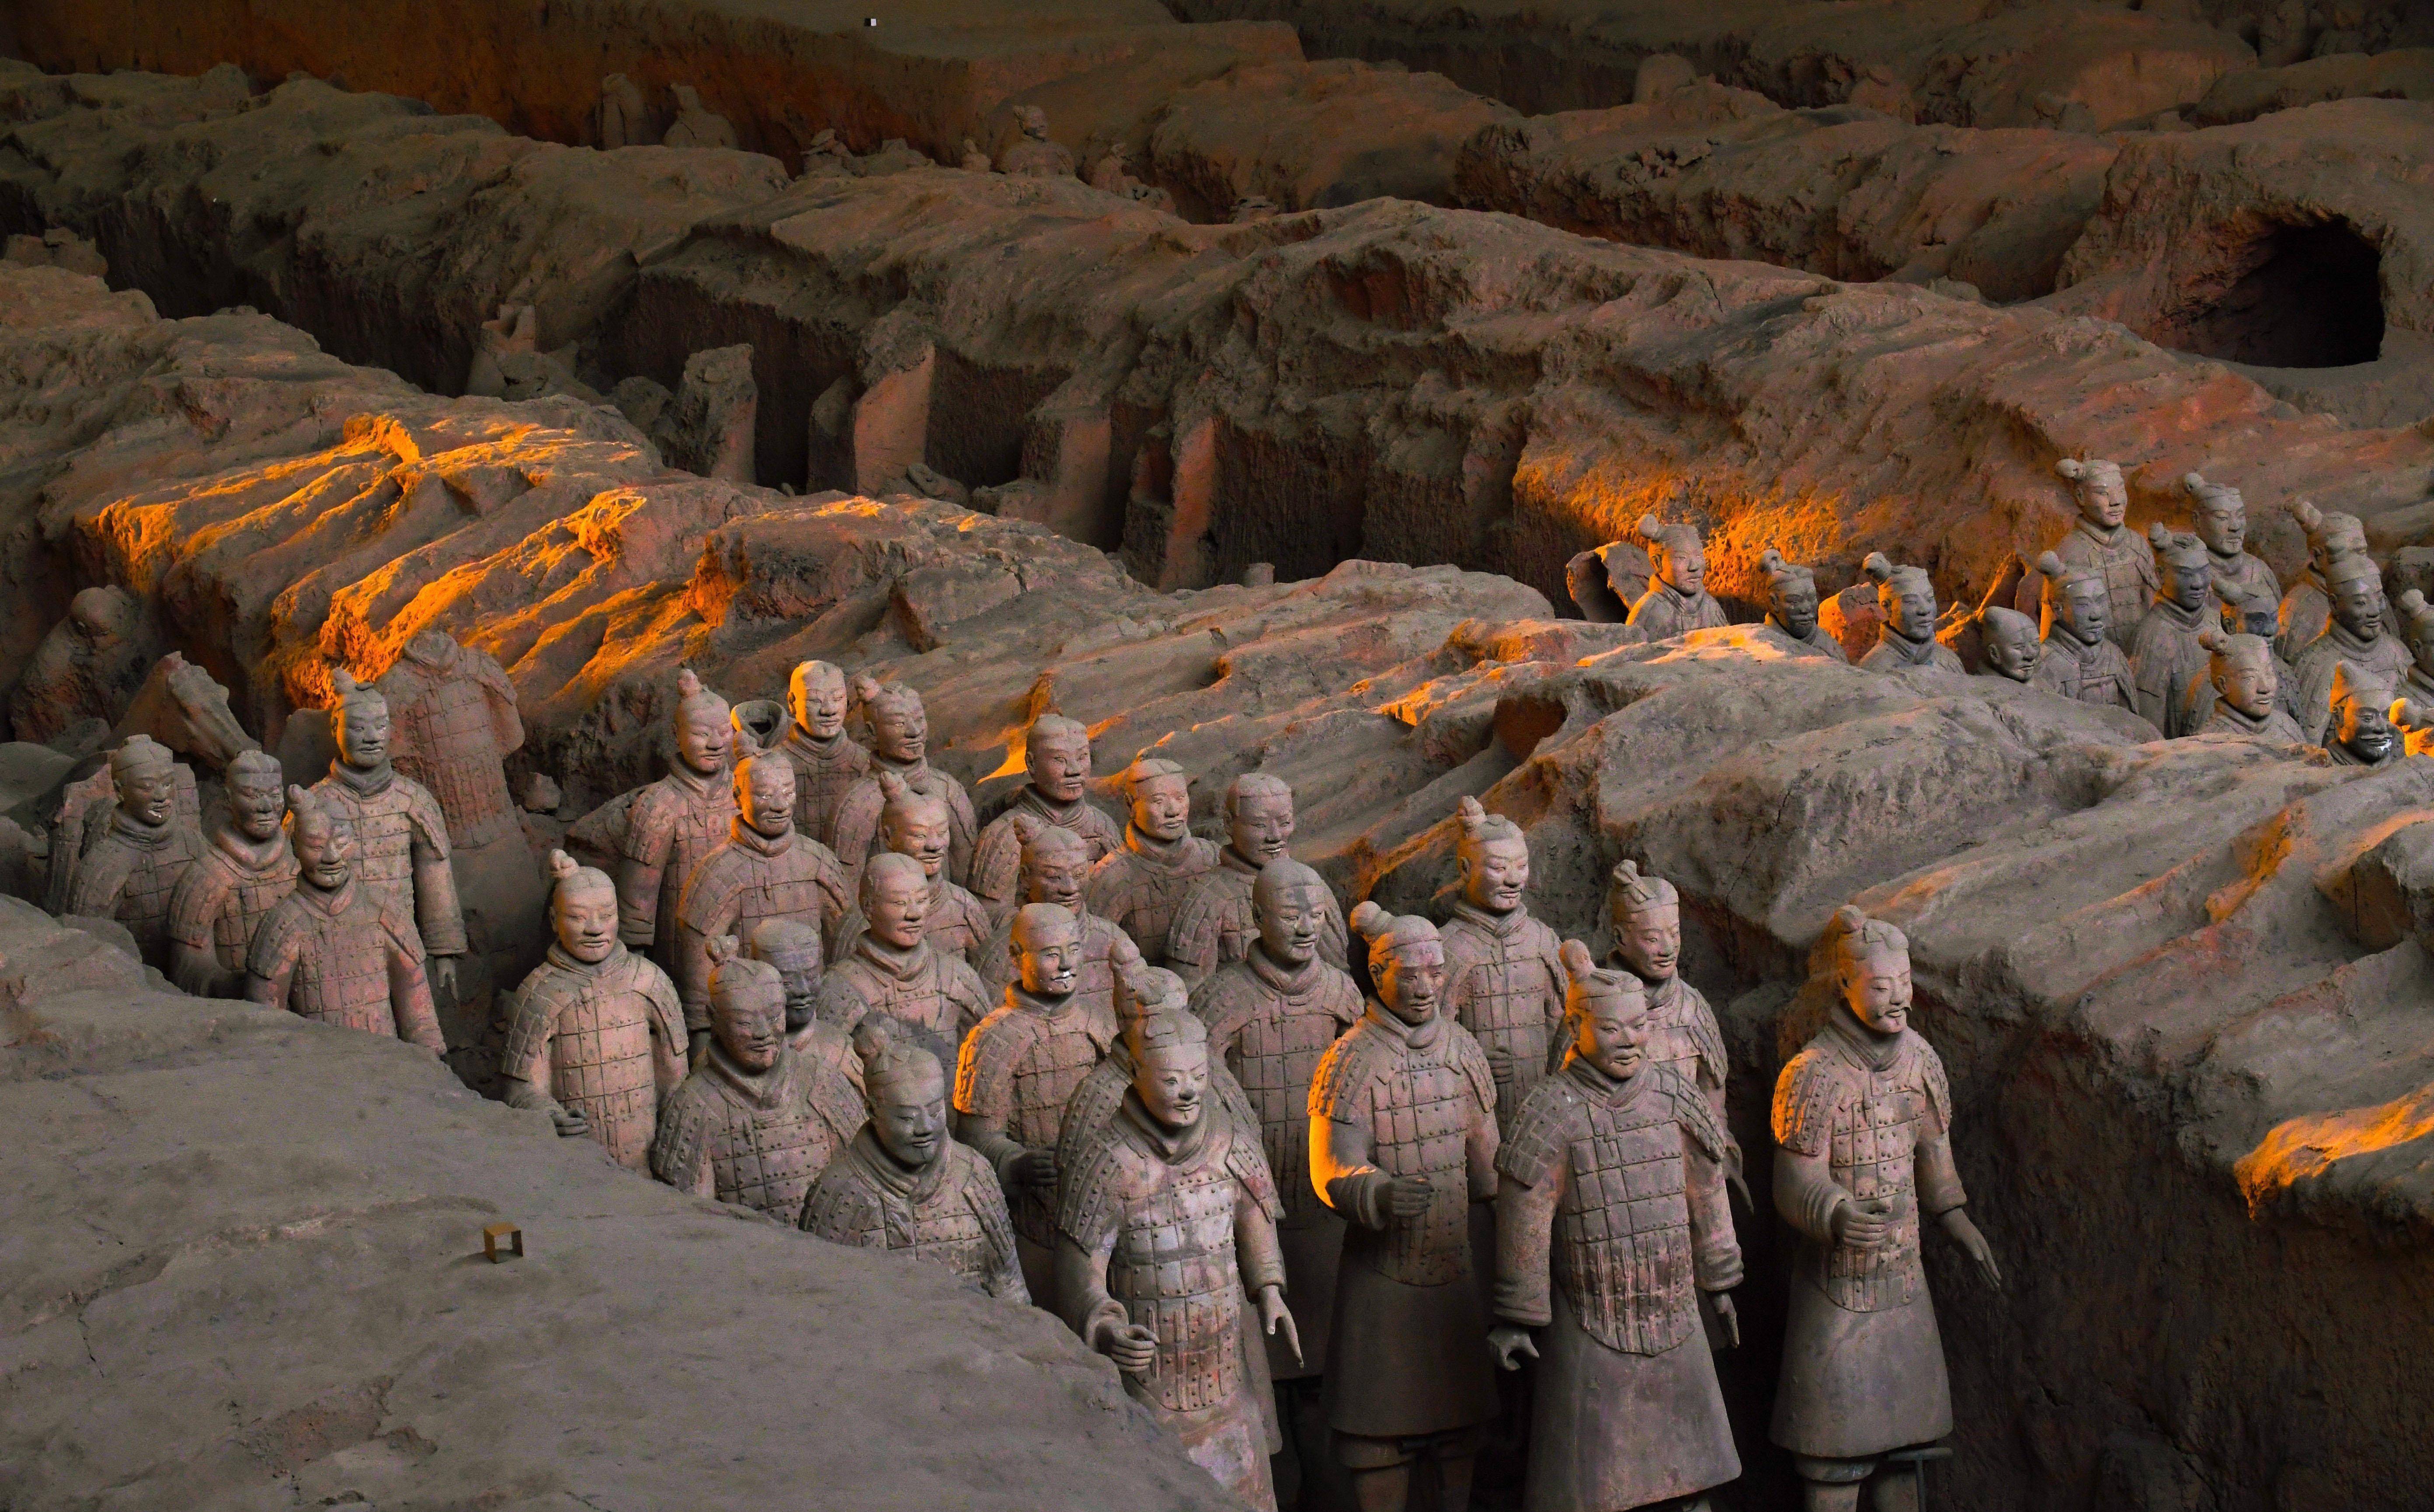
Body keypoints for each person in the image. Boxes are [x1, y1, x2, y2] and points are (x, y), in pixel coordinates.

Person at [1489, 940, 1743, 1512]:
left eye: (1638, 1026)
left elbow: (1707, 1187)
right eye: (1611, 1029)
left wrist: (1720, 1280)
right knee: (1592, 1489)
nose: (1628, 1040)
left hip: (1675, 1307)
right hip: (1589, 1314)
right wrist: (1517, 1316)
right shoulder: (1551, 1108)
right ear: (1575, 1027)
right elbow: (1526, 1211)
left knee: (1691, 1478)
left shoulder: (1676, 1096)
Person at [1771, 907, 2001, 1512]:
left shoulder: (1921, 1060)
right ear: (1846, 984)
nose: (1899, 997)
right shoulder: (1812, 1074)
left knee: (1908, 1455)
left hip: (1903, 1281)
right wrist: (1836, 1213)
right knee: (1833, 1463)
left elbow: (1934, 1157)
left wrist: (1955, 1216)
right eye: (1881, 986)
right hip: (1835, 1290)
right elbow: (1794, 1180)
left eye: (1905, 983)